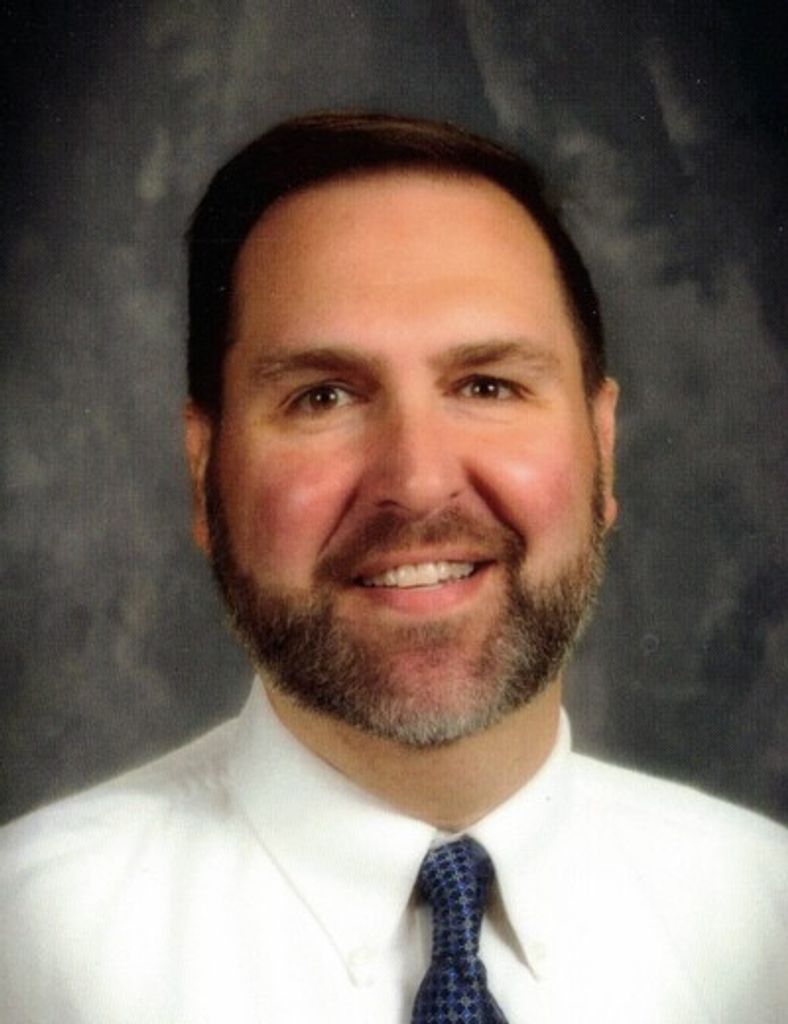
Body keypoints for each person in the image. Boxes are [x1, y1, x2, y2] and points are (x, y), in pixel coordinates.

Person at [1, 112, 785, 1023]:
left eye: (487, 385)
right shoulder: (25, 951)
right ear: (204, 470)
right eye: (322, 396)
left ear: (602, 446)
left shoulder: (767, 923)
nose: (416, 483)